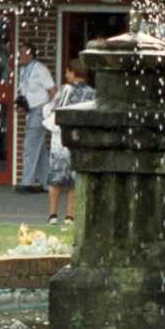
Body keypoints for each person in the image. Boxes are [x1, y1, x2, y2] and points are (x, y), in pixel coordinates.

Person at [44, 59, 93, 225]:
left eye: (67, 72)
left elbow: (52, 109)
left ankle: (52, 215)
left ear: (73, 73)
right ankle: (70, 216)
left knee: (56, 178)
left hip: (61, 138)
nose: (66, 75)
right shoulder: (92, 93)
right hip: (80, 139)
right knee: (75, 179)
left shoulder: (65, 90)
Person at [16, 44, 56, 193]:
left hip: (40, 110)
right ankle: (48, 183)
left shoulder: (41, 69)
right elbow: (24, 89)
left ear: (31, 54)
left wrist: (51, 110)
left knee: (30, 146)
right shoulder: (23, 70)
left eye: (23, 53)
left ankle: (27, 183)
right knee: (39, 151)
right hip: (30, 111)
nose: (20, 55)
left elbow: (52, 90)